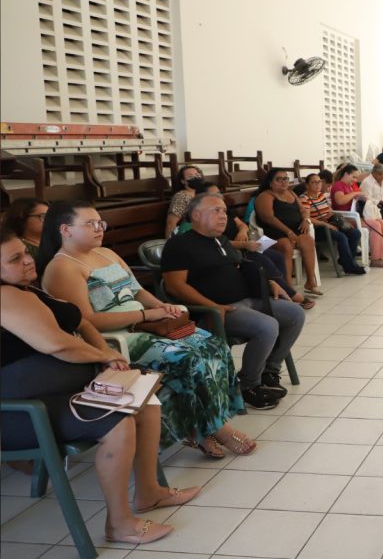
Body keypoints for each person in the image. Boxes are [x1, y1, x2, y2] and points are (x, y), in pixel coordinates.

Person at [1, 230, 201, 543]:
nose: (28, 259)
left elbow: (80, 322)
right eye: (15, 258)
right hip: (22, 409)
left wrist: (106, 355)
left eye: (25, 253)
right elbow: (55, 344)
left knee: (145, 400)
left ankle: (150, 491)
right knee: (118, 422)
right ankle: (119, 523)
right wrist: (102, 358)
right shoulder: (5, 296)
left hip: (60, 392)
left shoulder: (29, 289)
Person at [37, 201, 256, 456]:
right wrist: (145, 314)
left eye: (101, 223)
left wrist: (162, 307)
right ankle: (219, 430)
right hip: (115, 340)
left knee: (213, 345)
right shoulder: (62, 267)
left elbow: (138, 291)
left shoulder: (107, 253)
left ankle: (205, 425)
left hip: (146, 326)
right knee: (187, 357)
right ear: (65, 229)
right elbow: (86, 320)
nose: (99, 229)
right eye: (90, 224)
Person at [162, 193, 306, 410]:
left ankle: (269, 371)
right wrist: (212, 306)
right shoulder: (179, 245)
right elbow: (175, 286)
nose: (223, 216)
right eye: (216, 211)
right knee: (267, 326)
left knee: (295, 314)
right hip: (218, 310)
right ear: (196, 215)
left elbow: (241, 267)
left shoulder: (221, 240)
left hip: (248, 299)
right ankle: (248, 386)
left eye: (224, 211)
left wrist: (268, 284)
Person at [179, 183, 315, 311]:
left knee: (277, 256)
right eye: (215, 195)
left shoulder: (225, 212)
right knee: (263, 260)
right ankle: (291, 295)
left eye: (219, 193)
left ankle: (284, 291)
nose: (220, 196)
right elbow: (219, 243)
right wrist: (245, 244)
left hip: (242, 245)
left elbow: (242, 224)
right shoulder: (200, 228)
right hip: (235, 250)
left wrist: (242, 231)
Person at [254, 167, 321, 296]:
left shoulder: (291, 193)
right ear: (270, 182)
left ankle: (310, 282)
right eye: (279, 179)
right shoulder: (265, 196)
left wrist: (306, 220)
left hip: (294, 230)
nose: (283, 182)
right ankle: (288, 287)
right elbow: (268, 217)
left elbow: (304, 210)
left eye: (285, 179)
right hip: (269, 234)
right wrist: (287, 231)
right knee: (286, 245)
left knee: (308, 240)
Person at [331, 164, 383, 268]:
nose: (355, 180)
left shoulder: (349, 186)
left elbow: (353, 201)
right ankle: (376, 258)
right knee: (376, 225)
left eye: (356, 178)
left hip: (355, 215)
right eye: (353, 177)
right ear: (346, 174)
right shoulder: (338, 185)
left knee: (382, 222)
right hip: (346, 218)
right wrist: (355, 194)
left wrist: (360, 198)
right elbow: (340, 201)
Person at [299, 173, 366, 275]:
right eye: (314, 182)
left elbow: (329, 210)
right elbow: (307, 219)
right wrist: (325, 224)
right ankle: (349, 267)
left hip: (329, 222)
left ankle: (346, 260)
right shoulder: (304, 198)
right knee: (341, 237)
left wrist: (342, 221)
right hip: (317, 228)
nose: (317, 185)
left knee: (355, 233)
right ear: (307, 185)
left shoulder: (320, 195)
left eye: (319, 182)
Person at [165, 165, 204, 238]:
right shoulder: (182, 196)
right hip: (188, 236)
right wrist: (170, 244)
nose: (195, 178)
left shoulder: (204, 193)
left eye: (197, 175)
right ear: (183, 181)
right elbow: (171, 223)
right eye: (190, 176)